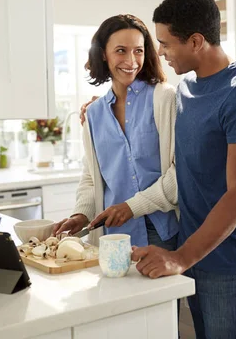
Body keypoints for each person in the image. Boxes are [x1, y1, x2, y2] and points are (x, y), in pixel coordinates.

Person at [131, 0, 236, 339]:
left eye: (166, 44)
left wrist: (181, 257)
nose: (160, 53)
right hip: (198, 251)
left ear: (196, 41)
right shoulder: (186, 88)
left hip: (235, 260)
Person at [53, 14, 179, 253]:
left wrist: (131, 207)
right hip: (112, 235)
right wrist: (81, 214)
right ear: (103, 54)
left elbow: (179, 171)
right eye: (121, 50)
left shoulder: (164, 98)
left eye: (138, 51)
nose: (131, 60)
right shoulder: (93, 113)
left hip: (160, 231)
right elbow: (92, 177)